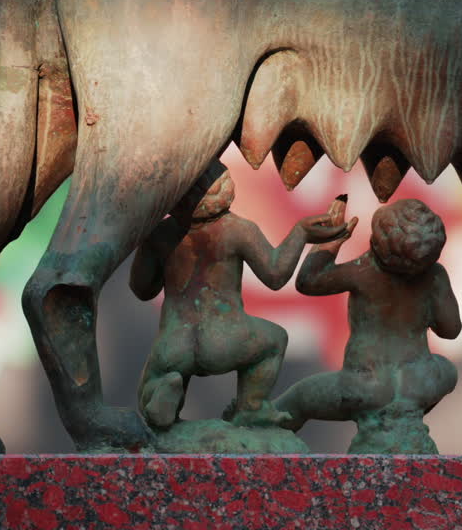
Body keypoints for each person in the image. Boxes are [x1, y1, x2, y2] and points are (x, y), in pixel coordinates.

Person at [130, 169, 355, 429]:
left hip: (175, 342)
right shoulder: (237, 230)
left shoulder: (161, 234)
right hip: (226, 339)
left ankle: (162, 393)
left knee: (157, 374)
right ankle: (251, 407)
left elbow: (142, 289)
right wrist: (300, 234)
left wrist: (155, 250)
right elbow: (275, 275)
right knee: (275, 339)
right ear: (224, 190)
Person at [275, 198, 460, 446]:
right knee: (448, 370)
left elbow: (309, 281)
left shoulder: (364, 271)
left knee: (296, 400)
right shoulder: (435, 275)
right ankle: (401, 415)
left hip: (363, 385)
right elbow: (450, 329)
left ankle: (264, 438)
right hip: (419, 382)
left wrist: (333, 238)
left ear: (378, 243)